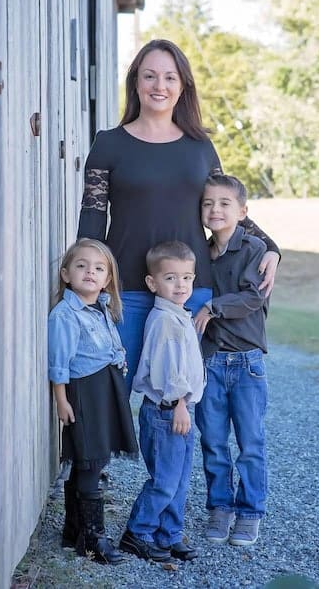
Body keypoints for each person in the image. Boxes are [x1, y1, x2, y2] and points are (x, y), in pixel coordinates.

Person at [77, 38, 280, 388]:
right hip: (124, 292)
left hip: (189, 290)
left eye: (170, 77)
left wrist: (271, 247)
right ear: (136, 82)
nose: (160, 86)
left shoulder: (200, 146)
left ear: (183, 85)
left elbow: (225, 208)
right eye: (150, 76)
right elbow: (92, 223)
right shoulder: (108, 143)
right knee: (114, 394)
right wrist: (89, 289)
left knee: (177, 403)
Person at [48, 238, 138, 564]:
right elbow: (59, 361)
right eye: (82, 265)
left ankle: (74, 530)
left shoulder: (102, 309)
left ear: (107, 279)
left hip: (105, 390)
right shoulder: (65, 315)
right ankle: (93, 538)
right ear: (66, 273)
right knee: (89, 459)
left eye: (99, 268)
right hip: (84, 392)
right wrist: (61, 398)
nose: (90, 272)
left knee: (95, 459)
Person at [194, 174, 271, 547]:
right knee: (212, 441)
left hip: (246, 363)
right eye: (208, 203)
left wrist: (213, 307)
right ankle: (220, 508)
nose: (215, 209)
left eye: (224, 203)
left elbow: (253, 296)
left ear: (242, 211)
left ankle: (250, 513)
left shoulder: (255, 249)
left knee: (250, 442)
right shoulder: (200, 254)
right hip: (209, 362)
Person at [119, 241, 204, 563]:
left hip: (181, 410)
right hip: (167, 411)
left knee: (180, 480)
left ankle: (168, 534)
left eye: (186, 277)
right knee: (166, 480)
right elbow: (169, 371)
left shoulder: (179, 314)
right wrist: (180, 403)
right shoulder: (165, 321)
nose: (180, 285)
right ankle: (137, 533)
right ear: (152, 283)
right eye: (171, 278)